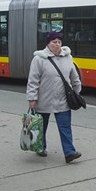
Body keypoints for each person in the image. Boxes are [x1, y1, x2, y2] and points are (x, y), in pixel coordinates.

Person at [26, 31, 82, 163]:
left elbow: (74, 77)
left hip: (63, 100)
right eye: (54, 42)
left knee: (65, 127)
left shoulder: (67, 57)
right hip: (43, 99)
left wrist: (77, 92)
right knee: (41, 126)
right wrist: (32, 99)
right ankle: (40, 147)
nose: (57, 45)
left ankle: (69, 152)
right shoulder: (39, 59)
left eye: (59, 42)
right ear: (48, 43)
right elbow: (33, 80)